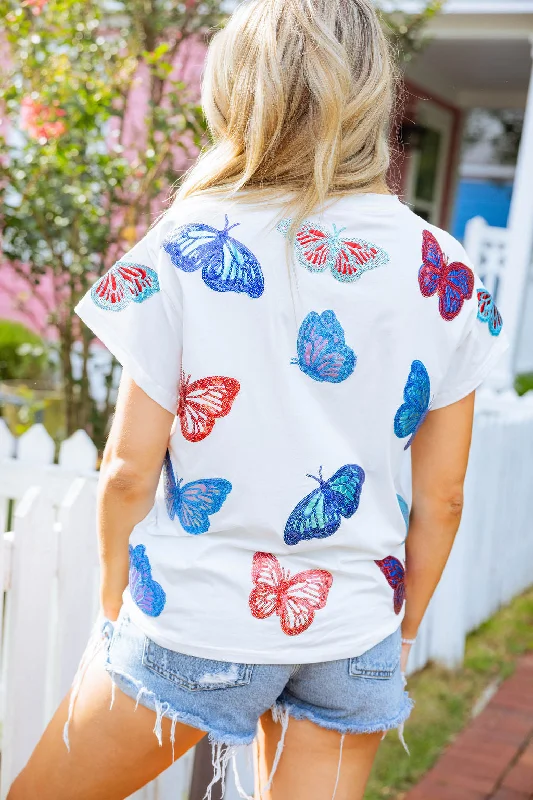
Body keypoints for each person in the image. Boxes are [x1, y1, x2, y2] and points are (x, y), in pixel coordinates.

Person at [8, 1, 508, 798]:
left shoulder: (190, 238)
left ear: (240, 94)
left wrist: (113, 603)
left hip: (197, 617)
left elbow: (128, 471)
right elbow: (441, 498)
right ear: (373, 94)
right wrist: (399, 630)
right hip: (353, 629)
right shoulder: (441, 269)